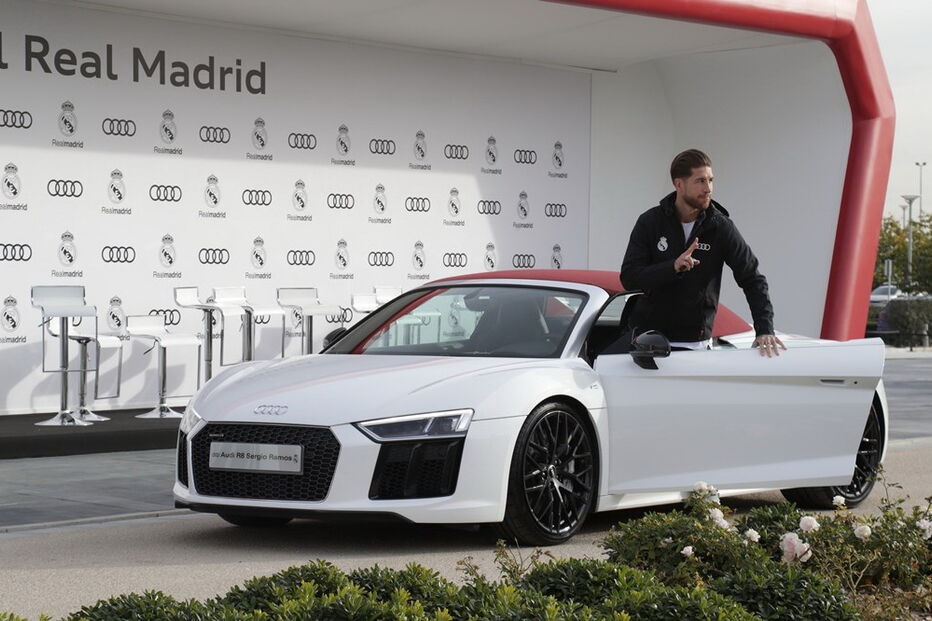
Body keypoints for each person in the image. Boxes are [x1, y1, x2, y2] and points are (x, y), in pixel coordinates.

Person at [619, 149, 785, 356]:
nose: (708, 189)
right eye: (700, 181)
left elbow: (752, 278)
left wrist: (764, 329)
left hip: (693, 345)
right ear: (679, 184)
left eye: (710, 180)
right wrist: (672, 267)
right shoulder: (650, 222)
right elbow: (630, 278)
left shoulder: (720, 227)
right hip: (645, 344)